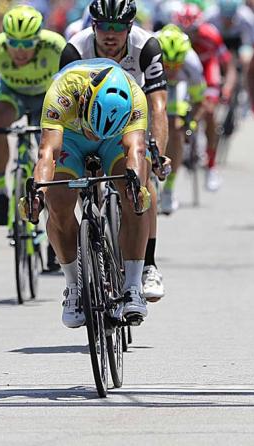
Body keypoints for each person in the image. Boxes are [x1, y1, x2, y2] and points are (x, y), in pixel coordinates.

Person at [59, 0, 169, 302]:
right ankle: (90, 247)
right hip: (84, 124)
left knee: (143, 181)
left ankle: (148, 264)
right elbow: (64, 104)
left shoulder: (146, 46)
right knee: (77, 185)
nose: (111, 34)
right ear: (92, 26)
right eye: (104, 26)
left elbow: (158, 104)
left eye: (118, 27)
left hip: (131, 120)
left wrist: (158, 149)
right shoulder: (74, 50)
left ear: (129, 28)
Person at [28, 59, 151, 327]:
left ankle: (132, 286)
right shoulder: (63, 90)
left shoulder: (135, 97)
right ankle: (73, 286)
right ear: (84, 100)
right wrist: (37, 192)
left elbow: (136, 151)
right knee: (58, 201)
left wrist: (136, 185)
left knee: (135, 195)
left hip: (114, 139)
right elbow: (48, 152)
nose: (93, 136)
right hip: (71, 136)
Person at [0, 4, 65, 227]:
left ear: (38, 40)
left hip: (46, 96)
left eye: (27, 44)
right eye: (14, 43)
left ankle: (54, 215)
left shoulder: (56, 46)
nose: (20, 50)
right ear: (5, 38)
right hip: (11, 95)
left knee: (52, 142)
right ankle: (0, 190)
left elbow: (73, 90)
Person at [173, 3, 238, 192]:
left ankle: (211, 167)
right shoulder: (174, 38)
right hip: (185, 72)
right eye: (184, 31)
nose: (189, 35)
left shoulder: (211, 35)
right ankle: (183, 144)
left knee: (209, 113)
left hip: (208, 71)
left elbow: (229, 67)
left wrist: (226, 88)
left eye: (193, 31)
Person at [156, 24, 206, 215]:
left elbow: (200, 102)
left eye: (175, 66)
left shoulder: (192, 63)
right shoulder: (148, 55)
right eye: (166, 65)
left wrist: (190, 124)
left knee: (175, 127)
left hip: (178, 90)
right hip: (151, 84)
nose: (170, 71)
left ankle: (169, 188)